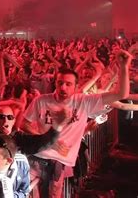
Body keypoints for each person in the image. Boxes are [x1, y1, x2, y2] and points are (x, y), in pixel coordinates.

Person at [22, 50, 133, 198]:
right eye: (60, 83)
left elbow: (121, 94)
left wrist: (124, 66)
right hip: (36, 158)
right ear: (55, 82)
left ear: (75, 87)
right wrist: (46, 140)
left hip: (57, 163)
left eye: (68, 84)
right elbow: (24, 123)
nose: (63, 87)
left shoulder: (83, 101)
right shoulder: (41, 100)